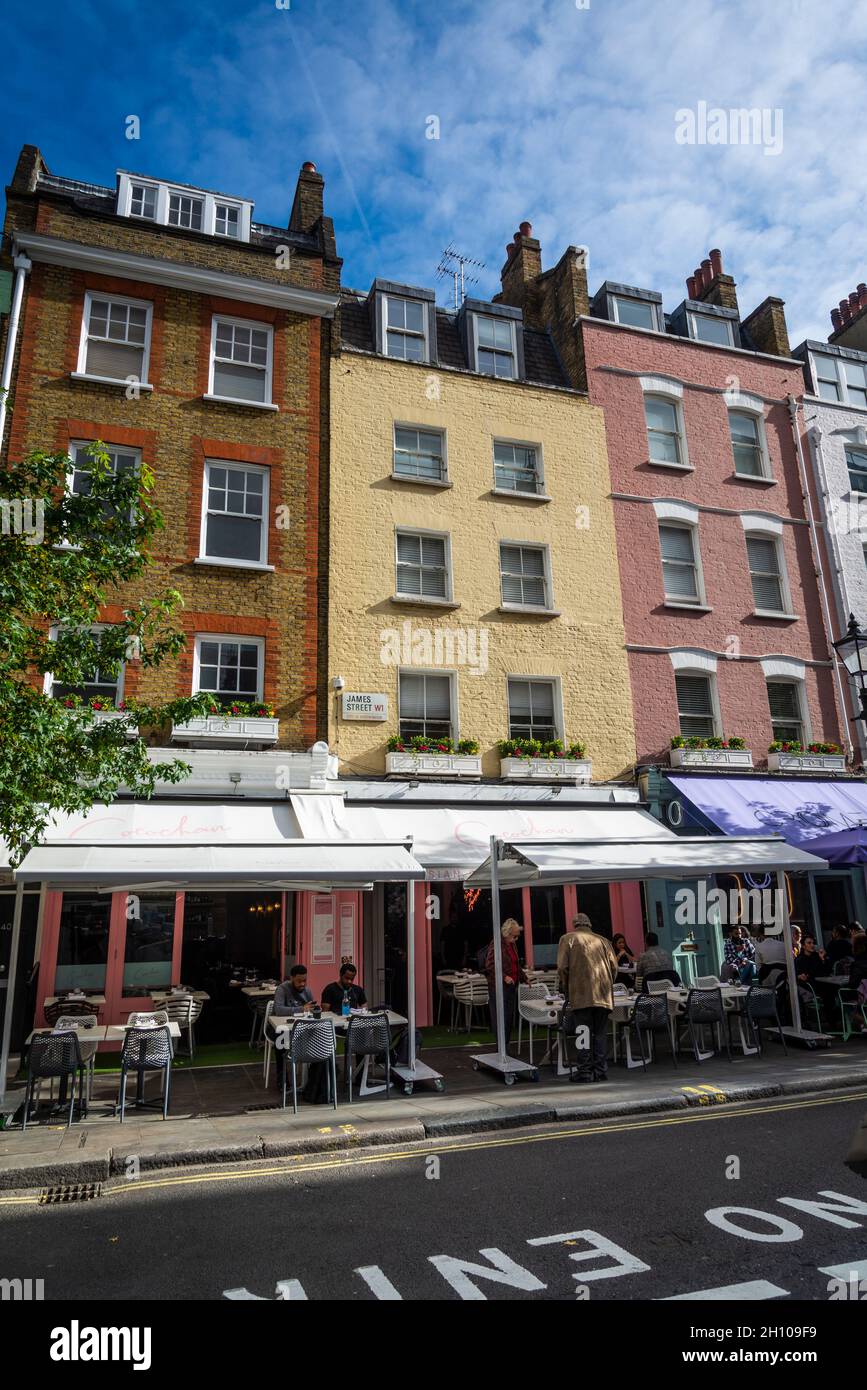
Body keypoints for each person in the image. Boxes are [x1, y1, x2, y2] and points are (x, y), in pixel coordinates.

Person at [557, 912, 618, 1082]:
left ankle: (584, 1071)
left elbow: (562, 967)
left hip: (581, 993)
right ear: (589, 924)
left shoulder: (567, 939)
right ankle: (600, 1071)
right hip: (603, 994)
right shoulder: (603, 941)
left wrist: (567, 987)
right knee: (600, 1034)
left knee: (583, 1033)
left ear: (575, 924)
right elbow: (614, 967)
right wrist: (607, 984)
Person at [484, 918, 527, 1049]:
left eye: (517, 936)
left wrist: (524, 978)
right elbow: (490, 965)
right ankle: (500, 1046)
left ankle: (505, 1044)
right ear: (507, 934)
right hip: (498, 987)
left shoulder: (512, 944)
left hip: (511, 986)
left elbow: (516, 964)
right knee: (500, 1016)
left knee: (508, 1016)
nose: (516, 939)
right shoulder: (497, 943)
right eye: (514, 936)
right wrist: (504, 977)